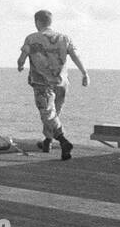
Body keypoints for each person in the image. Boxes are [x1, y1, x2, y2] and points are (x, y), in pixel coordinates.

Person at [17, 9, 89, 160]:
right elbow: (75, 55)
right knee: (53, 113)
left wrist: (21, 65)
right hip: (62, 83)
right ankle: (48, 141)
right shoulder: (64, 38)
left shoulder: (32, 38)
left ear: (37, 22)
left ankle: (63, 141)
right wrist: (84, 73)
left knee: (48, 113)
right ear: (50, 22)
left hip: (43, 84)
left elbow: (22, 58)